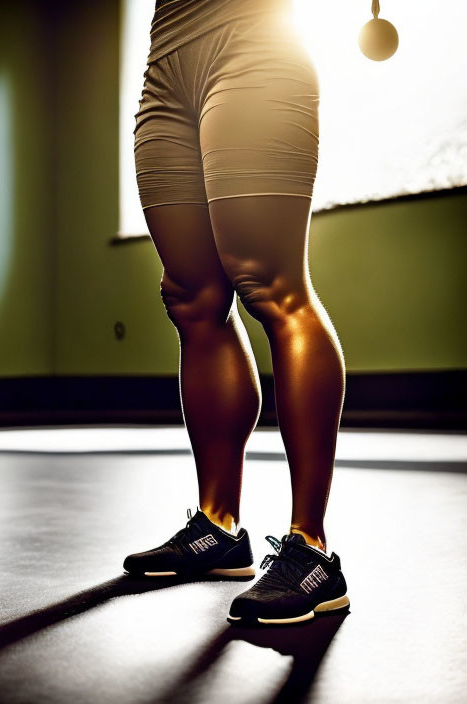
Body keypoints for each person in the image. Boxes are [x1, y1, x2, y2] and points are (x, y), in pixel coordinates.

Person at [122, 0, 350, 625]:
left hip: (254, 41)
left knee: (271, 286)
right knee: (192, 298)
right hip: (167, 61)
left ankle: (312, 549)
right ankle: (218, 528)